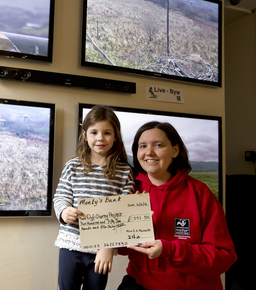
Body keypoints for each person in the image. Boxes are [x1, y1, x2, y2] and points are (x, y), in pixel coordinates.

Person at [117, 121, 237, 290]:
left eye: (158, 145)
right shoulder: (130, 190)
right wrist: (128, 227)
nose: (149, 152)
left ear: (175, 150)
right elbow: (122, 249)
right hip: (140, 283)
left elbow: (223, 257)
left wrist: (171, 250)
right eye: (142, 146)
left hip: (192, 285)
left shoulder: (199, 193)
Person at [54, 105, 134, 290]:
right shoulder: (73, 166)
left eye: (107, 132)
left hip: (101, 249)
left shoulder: (124, 172)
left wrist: (108, 247)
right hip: (71, 243)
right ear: (85, 135)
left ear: (115, 136)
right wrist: (64, 211)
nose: (100, 138)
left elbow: (124, 213)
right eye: (94, 132)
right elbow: (61, 197)